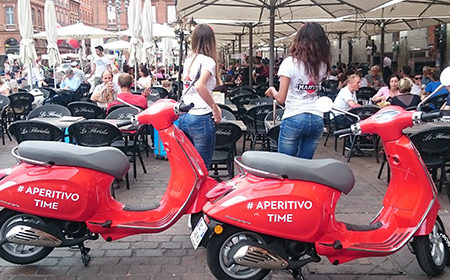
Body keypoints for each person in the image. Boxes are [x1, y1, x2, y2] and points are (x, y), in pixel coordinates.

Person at [265, 22, 331, 159]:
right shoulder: (322, 65)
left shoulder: (290, 63)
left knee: (285, 165)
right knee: (304, 166)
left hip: (294, 116)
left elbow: (281, 99)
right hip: (317, 118)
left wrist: (272, 89)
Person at [178, 23, 222, 169]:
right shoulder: (208, 61)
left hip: (185, 116)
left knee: (190, 167)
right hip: (201, 117)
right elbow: (199, 85)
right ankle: (201, 192)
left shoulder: (189, 60)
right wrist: (214, 108)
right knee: (202, 168)